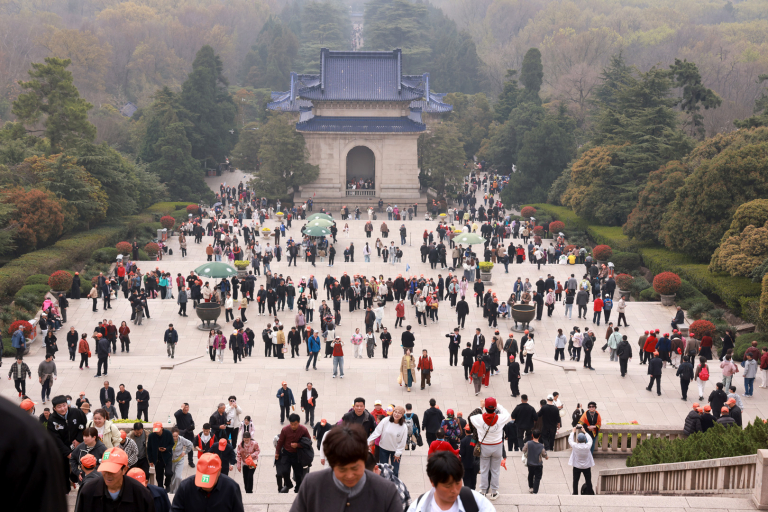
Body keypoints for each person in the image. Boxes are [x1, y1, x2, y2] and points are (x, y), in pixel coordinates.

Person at [291, 425, 402, 512]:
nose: (349, 475)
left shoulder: (386, 490)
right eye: (342, 469)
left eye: (355, 468)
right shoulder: (312, 484)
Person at [75, 447, 155, 512]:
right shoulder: (88, 491)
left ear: (124, 470)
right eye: (105, 470)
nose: (107, 475)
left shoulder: (141, 495)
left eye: (112, 471)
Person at [171, 452, 244, 512]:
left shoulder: (232, 488)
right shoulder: (185, 487)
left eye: (210, 480)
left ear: (219, 471)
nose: (205, 486)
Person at [470, 397, 510, 500]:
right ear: (495, 407)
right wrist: (498, 404)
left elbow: (470, 417)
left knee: (484, 469)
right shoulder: (501, 418)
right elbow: (507, 414)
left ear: (486, 407)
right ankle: (494, 492)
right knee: (495, 470)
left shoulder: (478, 418)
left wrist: (481, 406)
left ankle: (483, 491)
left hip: (484, 446)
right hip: (497, 447)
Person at [368, 405, 408, 476]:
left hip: (395, 451)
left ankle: (395, 485)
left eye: (399, 413)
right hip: (383, 449)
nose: (396, 414)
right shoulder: (386, 420)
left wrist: (398, 453)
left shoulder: (404, 427)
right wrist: (368, 441)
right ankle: (384, 485)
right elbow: (377, 432)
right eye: (395, 412)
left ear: (402, 415)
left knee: (395, 471)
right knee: (384, 470)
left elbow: (403, 441)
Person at [275, 413, 311, 493]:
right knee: (284, 471)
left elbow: (308, 442)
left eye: (295, 424)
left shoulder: (304, 430)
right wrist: (277, 452)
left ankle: (298, 489)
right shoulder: (285, 430)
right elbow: (280, 442)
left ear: (299, 422)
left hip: (297, 455)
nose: (293, 426)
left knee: (298, 474)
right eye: (291, 424)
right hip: (286, 454)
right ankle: (288, 485)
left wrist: (298, 445)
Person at [148, 422, 174, 491]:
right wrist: (150, 460)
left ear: (162, 428)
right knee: (159, 477)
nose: (157, 432)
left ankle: (167, 484)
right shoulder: (151, 436)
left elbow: (172, 444)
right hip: (157, 459)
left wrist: (166, 449)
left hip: (167, 456)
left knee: (169, 473)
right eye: (155, 431)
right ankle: (161, 489)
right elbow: (149, 448)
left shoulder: (168, 433)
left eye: (158, 431)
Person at [568, 425, 594, 495]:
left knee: (575, 481)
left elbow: (570, 439)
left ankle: (575, 493)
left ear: (577, 440)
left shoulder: (575, 446)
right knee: (588, 481)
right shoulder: (588, 446)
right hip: (587, 466)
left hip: (577, 466)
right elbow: (590, 439)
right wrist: (585, 431)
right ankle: (589, 493)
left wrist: (573, 431)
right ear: (585, 440)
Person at [522, 429, 548, 494]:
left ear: (532, 435)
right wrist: (546, 457)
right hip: (538, 464)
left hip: (530, 463)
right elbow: (544, 454)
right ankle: (535, 491)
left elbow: (523, 450)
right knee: (537, 478)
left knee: (530, 475)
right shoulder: (541, 446)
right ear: (539, 436)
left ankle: (531, 487)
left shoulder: (528, 443)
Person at [169, 427, 193, 493]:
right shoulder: (168, 439)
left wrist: (185, 452)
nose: (175, 438)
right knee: (171, 477)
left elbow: (190, 444)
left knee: (178, 477)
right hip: (171, 461)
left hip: (179, 460)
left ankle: (177, 491)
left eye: (176, 436)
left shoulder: (181, 439)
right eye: (173, 436)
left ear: (178, 435)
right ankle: (171, 491)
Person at [174, 403, 196, 467]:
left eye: (187, 407)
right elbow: (175, 414)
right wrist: (181, 408)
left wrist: (192, 426)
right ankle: (177, 460)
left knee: (190, 447)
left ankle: (190, 461)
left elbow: (192, 422)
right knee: (178, 447)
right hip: (181, 434)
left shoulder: (189, 415)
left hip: (189, 433)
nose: (186, 409)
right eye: (185, 407)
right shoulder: (179, 415)